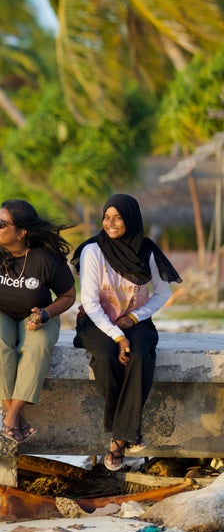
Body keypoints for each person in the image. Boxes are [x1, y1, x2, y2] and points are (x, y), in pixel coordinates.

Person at [71, 193, 181, 470]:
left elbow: (162, 293)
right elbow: (90, 303)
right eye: (107, 217)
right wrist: (117, 336)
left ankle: (118, 438)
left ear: (131, 219)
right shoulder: (93, 251)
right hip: (96, 322)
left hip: (136, 321)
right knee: (107, 355)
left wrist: (134, 317)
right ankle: (127, 432)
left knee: (141, 355)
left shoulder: (147, 251)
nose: (111, 223)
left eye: (118, 217)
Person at [0, 199, 76, 444]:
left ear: (21, 232)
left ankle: (11, 416)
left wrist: (45, 314)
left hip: (38, 314)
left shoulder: (45, 258)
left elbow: (69, 296)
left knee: (38, 344)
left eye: (2, 223)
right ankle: (16, 417)